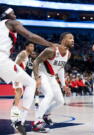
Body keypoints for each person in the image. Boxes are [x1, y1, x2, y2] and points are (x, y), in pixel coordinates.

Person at [0, 6, 56, 135]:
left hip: (6, 65)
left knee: (21, 94)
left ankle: (16, 118)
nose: (15, 15)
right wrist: (49, 44)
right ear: (6, 14)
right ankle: (19, 119)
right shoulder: (12, 23)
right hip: (3, 60)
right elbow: (29, 35)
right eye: (12, 12)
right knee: (30, 84)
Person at [32, 32, 73, 132]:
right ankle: (37, 122)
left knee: (60, 101)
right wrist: (37, 78)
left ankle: (46, 114)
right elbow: (36, 62)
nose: (73, 40)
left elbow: (61, 68)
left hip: (51, 77)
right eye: (70, 38)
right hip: (40, 73)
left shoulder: (68, 54)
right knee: (49, 95)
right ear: (63, 40)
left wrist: (64, 85)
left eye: (73, 39)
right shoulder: (51, 50)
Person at [11, 42, 34, 117]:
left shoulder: (27, 55)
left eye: (33, 46)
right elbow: (15, 65)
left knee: (20, 93)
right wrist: (17, 79)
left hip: (19, 74)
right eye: (30, 46)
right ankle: (14, 112)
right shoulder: (23, 53)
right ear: (26, 46)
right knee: (19, 92)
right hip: (16, 74)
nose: (32, 48)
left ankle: (14, 109)